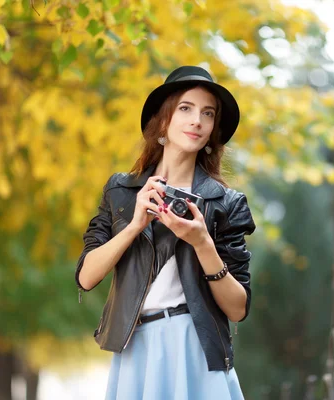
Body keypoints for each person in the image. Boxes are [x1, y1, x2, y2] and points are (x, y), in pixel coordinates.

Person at [74, 65, 256, 400]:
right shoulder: (121, 192)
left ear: (213, 129)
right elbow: (86, 277)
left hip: (195, 346)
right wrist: (135, 226)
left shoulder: (224, 203)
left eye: (207, 113)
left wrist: (202, 243)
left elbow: (238, 308)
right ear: (164, 122)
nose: (196, 121)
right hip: (135, 348)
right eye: (185, 109)